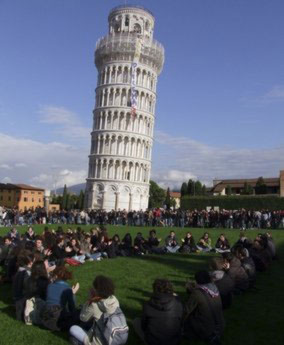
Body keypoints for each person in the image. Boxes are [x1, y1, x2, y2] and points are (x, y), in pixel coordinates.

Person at [70, 275, 128, 345]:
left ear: (96, 290)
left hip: (100, 341)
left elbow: (83, 318)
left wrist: (90, 300)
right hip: (117, 337)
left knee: (73, 328)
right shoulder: (114, 299)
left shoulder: (94, 304)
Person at [133, 278, 183, 345]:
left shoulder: (147, 305)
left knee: (136, 321)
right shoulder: (178, 303)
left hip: (153, 341)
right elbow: (180, 322)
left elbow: (143, 326)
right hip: (173, 341)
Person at [184, 271, 225, 344]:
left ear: (197, 280)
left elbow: (186, 310)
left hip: (207, 329)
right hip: (220, 325)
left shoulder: (197, 293)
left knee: (188, 318)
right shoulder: (214, 287)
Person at [42, 266, 79, 331]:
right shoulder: (67, 288)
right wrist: (73, 293)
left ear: (56, 276)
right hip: (59, 321)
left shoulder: (49, 286)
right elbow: (72, 308)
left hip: (46, 319)